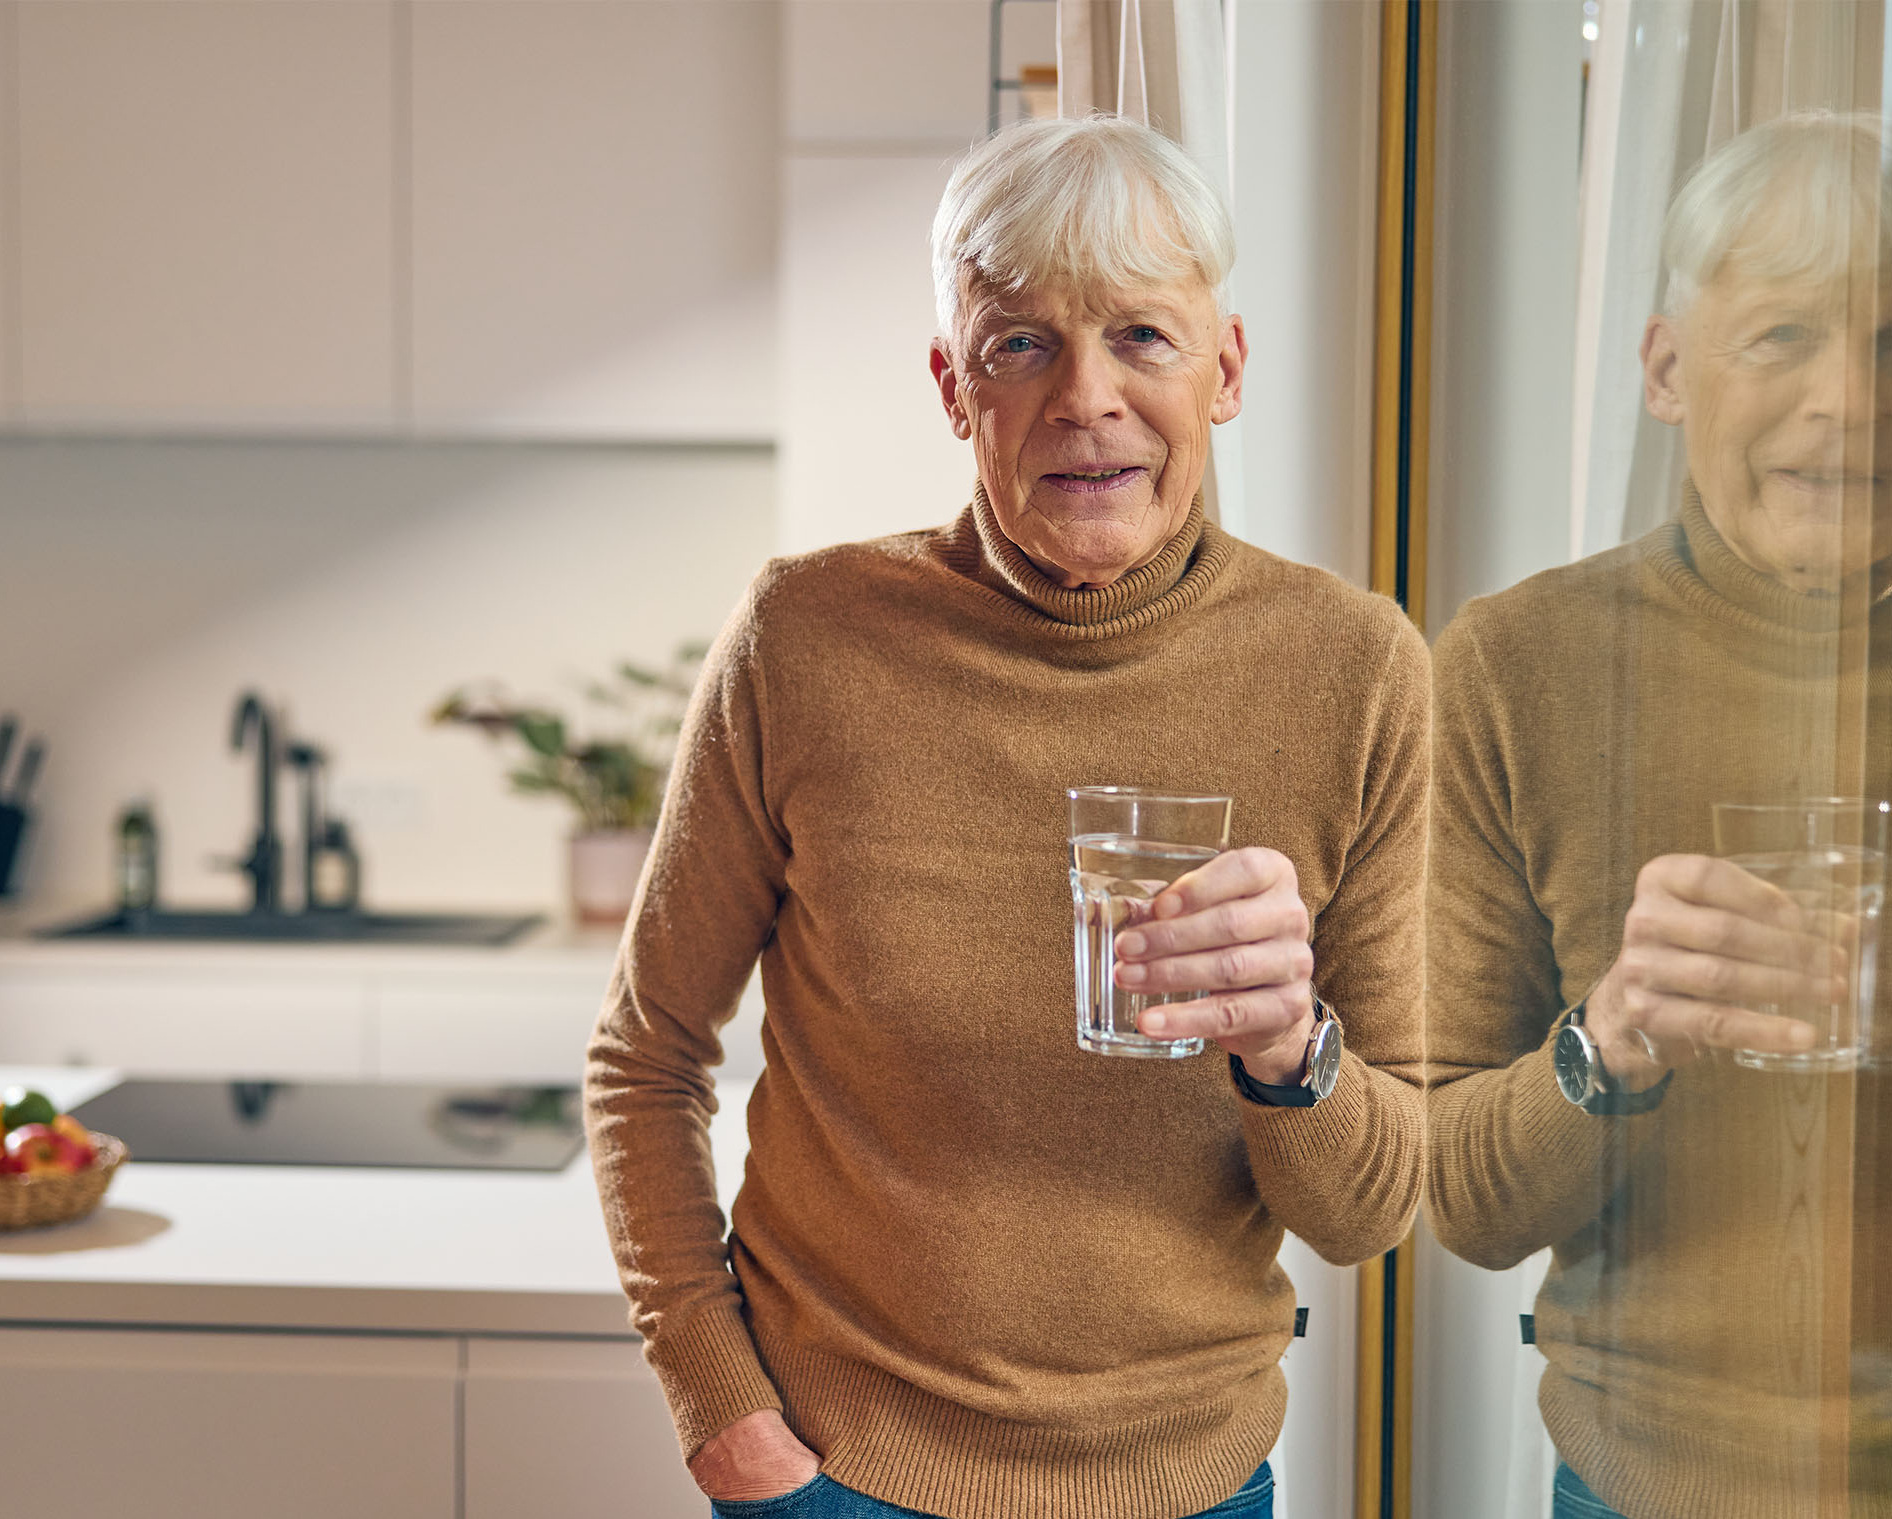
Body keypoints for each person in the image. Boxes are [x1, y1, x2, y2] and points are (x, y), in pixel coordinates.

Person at [586, 114, 1428, 1519]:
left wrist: (1287, 1046)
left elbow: (1371, 1211)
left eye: (1143, 340)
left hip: (1192, 1483)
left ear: (1225, 371)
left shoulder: (1357, 672)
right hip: (837, 1472)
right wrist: (721, 1407)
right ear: (951, 386)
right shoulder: (806, 636)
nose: (1085, 398)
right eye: (1020, 343)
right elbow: (647, 1051)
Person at [1426, 112, 1892, 1519]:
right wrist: (1612, 1045)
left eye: (1891, 342)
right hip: (1646, 1485)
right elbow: (1461, 1192)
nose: (1851, 402)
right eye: (1783, 336)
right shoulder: (1521, 666)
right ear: (1667, 369)